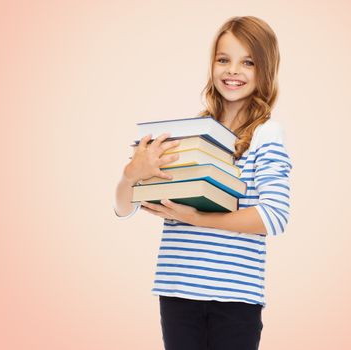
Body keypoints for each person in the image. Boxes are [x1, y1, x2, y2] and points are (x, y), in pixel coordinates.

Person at [114, 16, 292, 350]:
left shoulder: (266, 133)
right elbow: (124, 207)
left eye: (248, 62)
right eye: (223, 59)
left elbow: (274, 217)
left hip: (235, 297)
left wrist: (196, 218)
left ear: (265, 70)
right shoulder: (190, 133)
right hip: (177, 289)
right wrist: (131, 174)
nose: (232, 70)